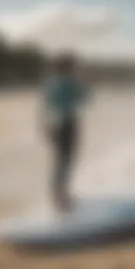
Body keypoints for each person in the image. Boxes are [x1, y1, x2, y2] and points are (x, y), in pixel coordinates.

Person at [41, 52, 89, 213]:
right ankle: (62, 199)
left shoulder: (51, 83)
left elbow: (45, 107)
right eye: (72, 66)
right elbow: (86, 99)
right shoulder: (69, 82)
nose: (74, 69)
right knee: (65, 161)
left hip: (54, 125)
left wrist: (45, 128)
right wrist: (82, 83)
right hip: (68, 124)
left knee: (60, 161)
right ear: (68, 67)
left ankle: (60, 197)